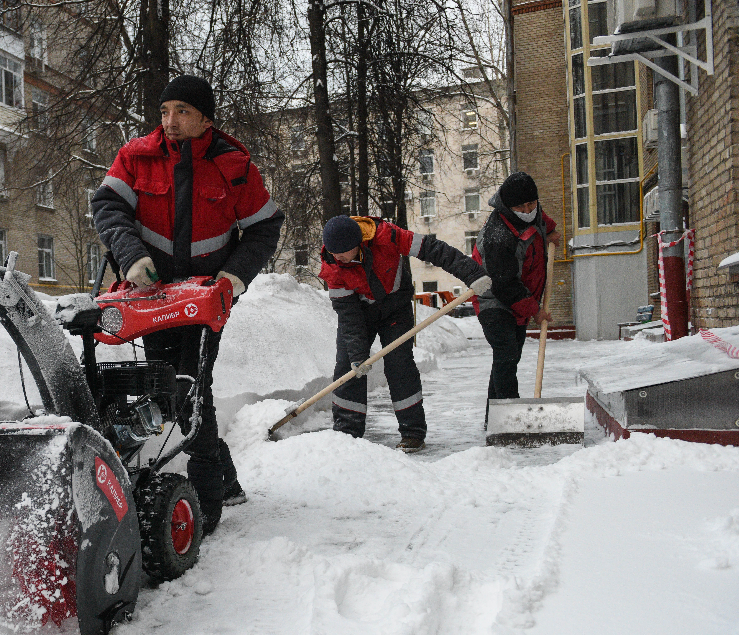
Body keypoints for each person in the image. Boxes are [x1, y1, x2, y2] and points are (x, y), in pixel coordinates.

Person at [91, 75, 283, 534]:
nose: (170, 122)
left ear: (206, 120)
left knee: (189, 387)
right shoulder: (136, 156)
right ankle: (227, 481)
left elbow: (264, 227)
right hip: (151, 297)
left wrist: (234, 276)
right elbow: (108, 208)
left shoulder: (235, 166)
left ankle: (208, 503)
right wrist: (131, 256)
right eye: (164, 111)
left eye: (182, 112)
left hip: (205, 299)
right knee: (172, 388)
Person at [319, 215, 492, 452]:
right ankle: (347, 433)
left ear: (357, 243)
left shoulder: (387, 236)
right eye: (332, 251)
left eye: (342, 251)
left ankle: (412, 433)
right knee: (348, 368)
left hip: (395, 308)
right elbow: (349, 317)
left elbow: (434, 249)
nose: (336, 256)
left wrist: (472, 274)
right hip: (359, 313)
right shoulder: (331, 266)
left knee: (400, 366)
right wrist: (358, 356)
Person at [472, 171, 561, 417]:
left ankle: (495, 419)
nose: (527, 209)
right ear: (509, 206)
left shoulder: (533, 211)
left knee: (509, 358)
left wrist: (550, 231)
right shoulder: (498, 235)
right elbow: (504, 284)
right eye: (520, 207)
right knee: (507, 354)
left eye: (531, 203)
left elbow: (540, 220)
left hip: (520, 298)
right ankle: (512, 415)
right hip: (493, 298)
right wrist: (536, 311)